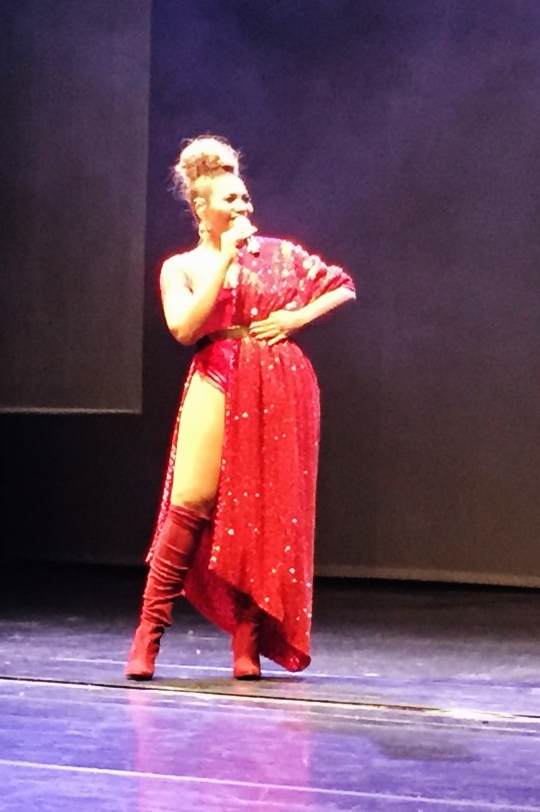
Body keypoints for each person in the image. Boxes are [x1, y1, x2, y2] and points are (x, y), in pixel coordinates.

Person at [125, 135, 356, 680]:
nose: (243, 206)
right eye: (230, 199)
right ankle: (148, 634)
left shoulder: (277, 254)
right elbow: (185, 328)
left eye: (246, 198)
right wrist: (225, 259)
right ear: (201, 207)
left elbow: (342, 286)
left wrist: (295, 319)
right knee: (190, 502)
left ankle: (247, 644)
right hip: (217, 371)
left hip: (276, 382)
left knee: (261, 515)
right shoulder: (181, 266)